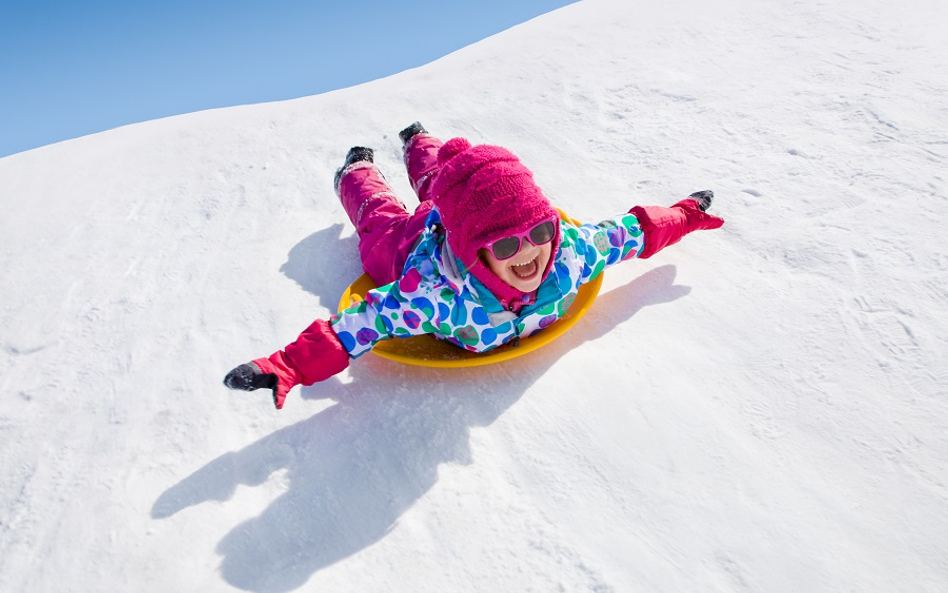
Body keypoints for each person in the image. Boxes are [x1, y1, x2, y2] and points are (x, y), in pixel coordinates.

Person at [224, 122, 724, 408]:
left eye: (540, 232)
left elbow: (631, 232)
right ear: (474, 252)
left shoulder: (568, 252)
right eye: (506, 247)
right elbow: (361, 324)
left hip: (458, 218)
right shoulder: (435, 295)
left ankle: (418, 140)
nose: (529, 253)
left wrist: (686, 213)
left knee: (446, 178)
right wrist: (289, 364)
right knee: (380, 218)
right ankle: (355, 170)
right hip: (407, 246)